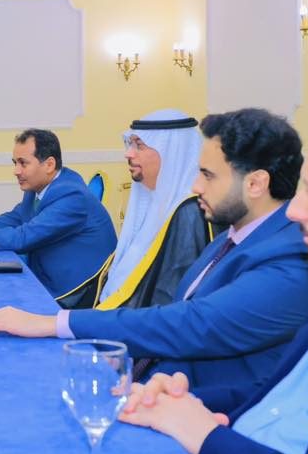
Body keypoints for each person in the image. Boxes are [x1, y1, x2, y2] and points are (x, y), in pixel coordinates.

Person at [0, 108, 308, 389]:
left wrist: (55, 323)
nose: (196, 186)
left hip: (210, 411)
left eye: (208, 175)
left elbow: (191, 324)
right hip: (166, 380)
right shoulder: (233, 237)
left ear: (256, 184)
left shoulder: (290, 258)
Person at [118, 138, 308, 454]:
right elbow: (278, 391)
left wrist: (206, 437)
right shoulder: (228, 237)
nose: (295, 210)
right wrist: (185, 404)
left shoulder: (290, 265)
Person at [0, 128, 116, 303]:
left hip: (71, 292)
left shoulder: (71, 196)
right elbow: (13, 218)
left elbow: (23, 237)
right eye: (15, 163)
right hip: (42, 272)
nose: (16, 171)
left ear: (49, 164)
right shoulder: (39, 185)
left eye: (23, 163)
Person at [89, 110, 214, 309]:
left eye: (139, 145)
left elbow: (169, 297)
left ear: (171, 153)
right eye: (130, 144)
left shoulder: (189, 212)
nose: (128, 154)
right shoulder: (150, 198)